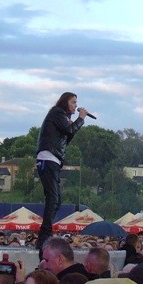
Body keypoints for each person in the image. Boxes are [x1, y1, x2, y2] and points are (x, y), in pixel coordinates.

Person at [35, 92, 89, 253]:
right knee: (52, 198)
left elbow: (67, 137)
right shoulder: (57, 112)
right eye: (73, 102)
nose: (75, 105)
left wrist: (74, 124)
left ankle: (45, 235)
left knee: (57, 200)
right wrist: (81, 119)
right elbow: (69, 131)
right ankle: (44, 236)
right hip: (48, 158)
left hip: (54, 160)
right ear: (65, 102)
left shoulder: (62, 118)